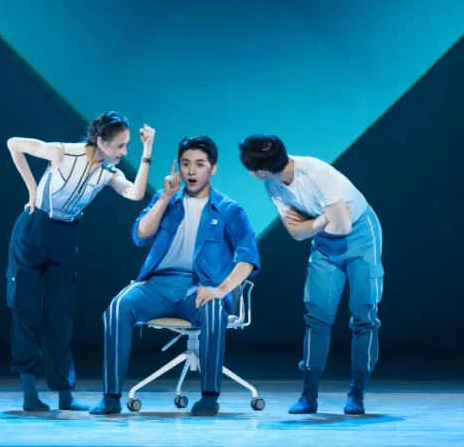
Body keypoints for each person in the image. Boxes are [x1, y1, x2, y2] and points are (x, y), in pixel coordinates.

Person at [91, 136, 260, 416]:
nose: (191, 171)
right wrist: (166, 197)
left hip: (200, 288)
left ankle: (209, 397)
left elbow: (248, 259)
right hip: (158, 285)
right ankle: (111, 397)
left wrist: (221, 290)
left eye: (200, 164)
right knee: (118, 307)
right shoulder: (166, 198)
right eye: (185, 163)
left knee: (214, 308)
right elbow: (140, 235)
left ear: (213, 169)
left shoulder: (231, 210)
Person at [6, 111, 155, 412]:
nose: (124, 152)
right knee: (26, 308)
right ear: (101, 141)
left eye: (127, 146)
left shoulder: (108, 172)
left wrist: (147, 150)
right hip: (35, 228)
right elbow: (14, 144)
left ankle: (64, 394)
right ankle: (29, 392)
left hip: (65, 235)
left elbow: (136, 193)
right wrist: (32, 188)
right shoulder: (62, 152)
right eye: (120, 146)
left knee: (61, 314)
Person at [239, 134, 383, 415]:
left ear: (261, 170)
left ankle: (357, 392)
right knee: (317, 315)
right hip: (325, 244)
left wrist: (312, 224)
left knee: (364, 313)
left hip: (362, 235)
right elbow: (296, 233)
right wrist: (322, 219)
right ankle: (308, 394)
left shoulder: (316, 173)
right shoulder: (273, 185)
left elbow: (342, 227)